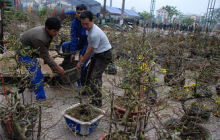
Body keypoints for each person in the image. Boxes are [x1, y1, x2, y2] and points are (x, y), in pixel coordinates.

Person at [18, 17, 65, 100]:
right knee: (37, 73)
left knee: (36, 69)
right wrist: (57, 67)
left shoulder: (47, 33)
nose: (56, 33)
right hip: (23, 53)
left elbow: (45, 51)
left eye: (58, 30)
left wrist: (52, 66)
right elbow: (44, 55)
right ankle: (41, 99)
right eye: (54, 31)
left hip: (29, 51)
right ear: (47, 28)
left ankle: (31, 86)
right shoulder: (40, 38)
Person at [77, 10, 112, 107]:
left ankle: (97, 102)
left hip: (104, 56)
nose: (84, 26)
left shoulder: (94, 33)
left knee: (94, 78)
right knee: (87, 73)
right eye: (82, 24)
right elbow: (88, 45)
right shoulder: (89, 29)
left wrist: (81, 63)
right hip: (97, 54)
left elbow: (89, 50)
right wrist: (82, 55)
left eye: (86, 24)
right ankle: (88, 92)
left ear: (92, 21)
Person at [62, 4, 92, 90]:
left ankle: (81, 84)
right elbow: (74, 39)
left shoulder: (87, 23)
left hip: (89, 45)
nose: (79, 15)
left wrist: (82, 54)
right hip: (81, 42)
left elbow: (88, 42)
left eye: (81, 13)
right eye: (78, 13)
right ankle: (69, 65)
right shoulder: (74, 23)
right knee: (65, 45)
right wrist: (72, 52)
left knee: (81, 64)